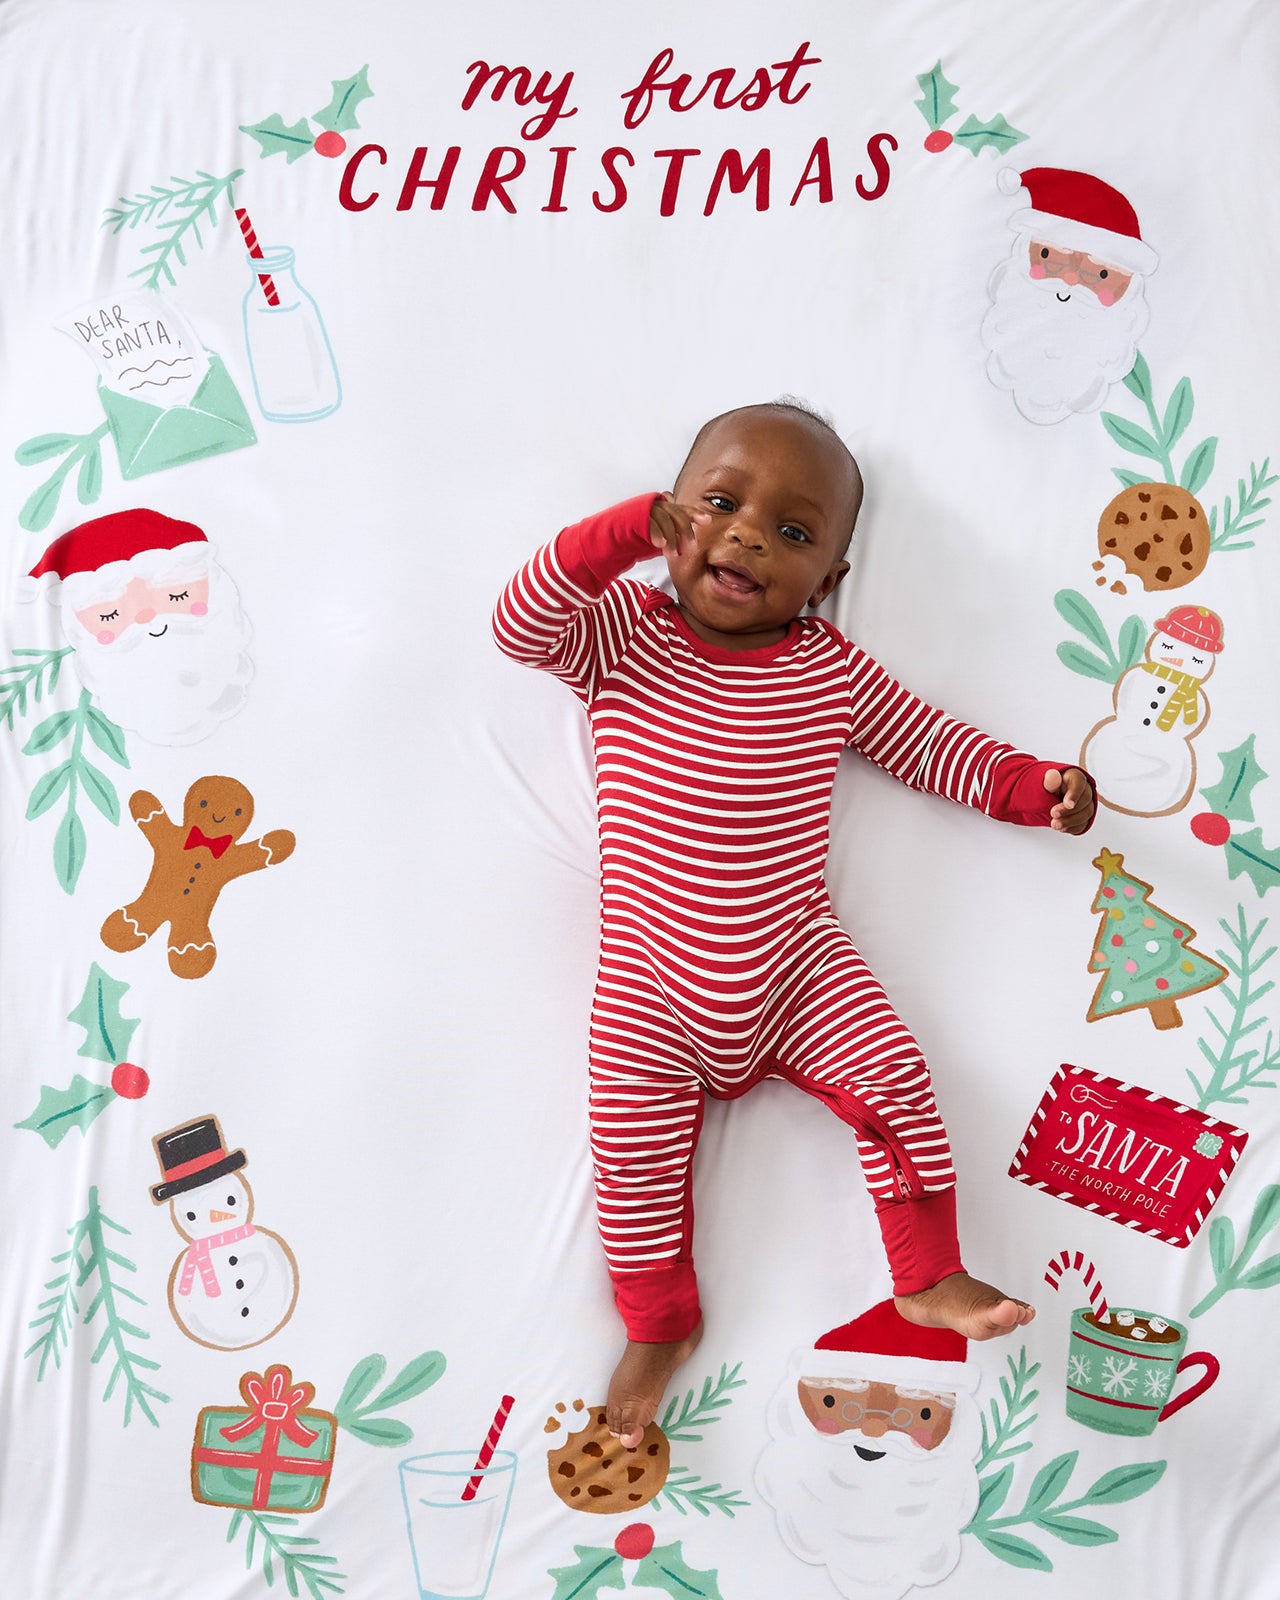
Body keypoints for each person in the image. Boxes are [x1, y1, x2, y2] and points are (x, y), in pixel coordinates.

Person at [492, 401, 1094, 1447]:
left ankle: (925, 1273)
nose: (745, 537)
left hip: (796, 969)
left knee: (897, 1077)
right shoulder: (623, 635)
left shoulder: (828, 668)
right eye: (718, 505)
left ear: (827, 583)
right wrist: (625, 531)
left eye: (792, 532)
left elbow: (931, 745)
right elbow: (519, 623)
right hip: (648, 984)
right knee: (628, 1160)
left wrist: (1031, 788)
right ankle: (659, 1322)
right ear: (675, 518)